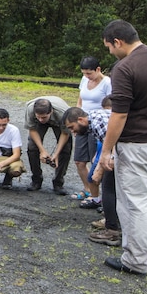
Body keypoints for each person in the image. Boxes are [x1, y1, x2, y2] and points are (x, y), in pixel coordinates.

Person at [98, 19, 147, 275]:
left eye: (110, 47)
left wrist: (106, 150)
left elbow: (119, 114)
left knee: (135, 203)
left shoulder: (125, 67)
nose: (111, 52)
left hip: (137, 145)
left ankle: (134, 259)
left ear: (117, 42)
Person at [62, 104, 121, 246]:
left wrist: (103, 166)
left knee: (108, 188)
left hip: (124, 150)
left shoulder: (98, 122)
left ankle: (112, 230)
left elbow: (115, 141)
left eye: (72, 127)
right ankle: (114, 221)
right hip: (123, 149)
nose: (73, 133)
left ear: (81, 120)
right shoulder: (93, 118)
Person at [71, 56, 112, 200]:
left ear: (98, 69)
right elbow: (80, 99)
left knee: (96, 160)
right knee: (79, 160)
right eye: (84, 73)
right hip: (82, 124)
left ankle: (98, 194)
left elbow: (110, 105)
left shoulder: (107, 83)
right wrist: (75, 121)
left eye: (89, 73)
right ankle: (88, 189)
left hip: (97, 126)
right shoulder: (84, 80)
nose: (86, 76)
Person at [24, 96, 72, 194]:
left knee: (65, 149)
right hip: (40, 122)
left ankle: (58, 182)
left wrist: (56, 154)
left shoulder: (63, 113)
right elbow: (32, 130)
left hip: (59, 121)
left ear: (51, 112)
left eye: (44, 117)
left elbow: (65, 133)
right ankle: (36, 180)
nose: (41, 120)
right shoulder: (30, 109)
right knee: (32, 147)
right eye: (39, 117)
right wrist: (42, 150)